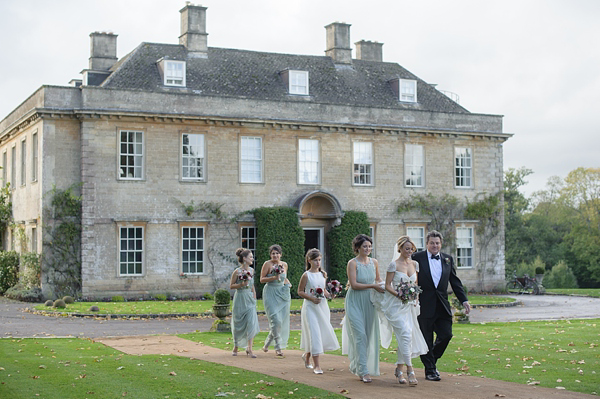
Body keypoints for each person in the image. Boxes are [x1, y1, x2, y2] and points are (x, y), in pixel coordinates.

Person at [412, 230, 471, 381]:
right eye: (432, 243)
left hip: (443, 305)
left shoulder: (447, 259)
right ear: (427, 244)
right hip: (424, 305)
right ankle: (430, 370)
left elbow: (455, 282)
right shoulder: (416, 258)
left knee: (446, 335)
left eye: (437, 243)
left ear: (441, 244)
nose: (435, 245)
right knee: (426, 338)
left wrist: (464, 300)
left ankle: (431, 360)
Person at [372, 235, 428, 385]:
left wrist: (414, 296)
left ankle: (399, 369)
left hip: (409, 306)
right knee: (405, 333)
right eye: (406, 248)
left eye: (411, 249)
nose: (409, 251)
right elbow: (388, 285)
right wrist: (400, 295)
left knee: (406, 337)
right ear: (400, 249)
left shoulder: (415, 264)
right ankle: (410, 370)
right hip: (395, 306)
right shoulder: (393, 265)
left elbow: (415, 284)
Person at [341, 234, 385, 383]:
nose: (368, 249)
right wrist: (373, 285)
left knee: (367, 335)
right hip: (354, 301)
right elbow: (354, 285)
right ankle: (363, 371)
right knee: (360, 334)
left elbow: (378, 280)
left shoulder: (375, 262)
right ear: (358, 248)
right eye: (365, 246)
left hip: (370, 301)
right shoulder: (352, 263)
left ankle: (361, 365)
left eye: (369, 246)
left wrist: (388, 288)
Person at [298, 248, 340, 374]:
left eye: (319, 260)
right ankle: (317, 365)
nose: (318, 262)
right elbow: (299, 291)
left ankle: (307, 355)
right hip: (310, 307)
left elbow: (323, 290)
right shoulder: (306, 275)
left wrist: (331, 294)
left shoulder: (323, 274)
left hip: (322, 307)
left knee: (319, 333)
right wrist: (311, 298)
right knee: (314, 333)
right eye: (315, 260)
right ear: (309, 260)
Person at [260, 244, 292, 357]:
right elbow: (262, 279)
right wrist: (274, 277)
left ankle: (267, 343)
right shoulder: (267, 264)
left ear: (280, 254)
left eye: (277, 253)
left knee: (280, 322)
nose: (275, 255)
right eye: (273, 253)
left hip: (282, 294)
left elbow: (284, 278)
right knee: (275, 320)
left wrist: (288, 283)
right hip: (270, 293)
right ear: (270, 255)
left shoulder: (284, 265)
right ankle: (278, 347)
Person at [229, 247, 260, 358]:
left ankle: (250, 349)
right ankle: (236, 346)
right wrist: (241, 285)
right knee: (238, 323)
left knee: (251, 323)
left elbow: (252, 286)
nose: (252, 259)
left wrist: (254, 297)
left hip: (249, 298)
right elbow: (231, 286)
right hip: (240, 298)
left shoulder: (252, 271)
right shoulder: (237, 272)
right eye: (250, 257)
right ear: (244, 258)